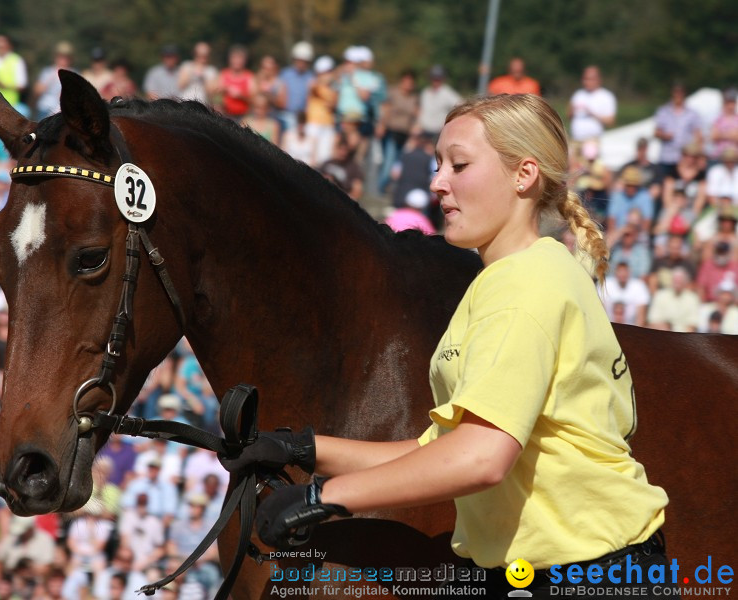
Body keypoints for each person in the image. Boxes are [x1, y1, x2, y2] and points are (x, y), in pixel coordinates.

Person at [221, 94, 673, 598]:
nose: (437, 182)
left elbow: (482, 458)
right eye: (438, 165)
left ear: (524, 175)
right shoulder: (516, 275)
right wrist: (302, 448)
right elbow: (436, 451)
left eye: (459, 165)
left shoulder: (525, 286)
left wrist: (324, 498)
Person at [653, 83, 703, 179]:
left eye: (680, 93)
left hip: (686, 159)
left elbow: (698, 135)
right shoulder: (663, 111)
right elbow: (656, 132)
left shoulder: (692, 114)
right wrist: (665, 135)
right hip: (667, 157)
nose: (678, 96)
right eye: (676, 93)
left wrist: (699, 155)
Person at [568, 65, 616, 142]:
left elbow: (611, 121)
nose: (586, 82)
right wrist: (573, 110)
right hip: (575, 138)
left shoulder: (606, 96)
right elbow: (569, 116)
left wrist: (591, 113)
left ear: (598, 80)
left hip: (593, 140)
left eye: (590, 79)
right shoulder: (578, 94)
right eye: (585, 79)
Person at [417, 64, 461, 139]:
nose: (435, 80)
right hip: (424, 131)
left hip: (438, 132)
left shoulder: (447, 92)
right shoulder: (425, 92)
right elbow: (421, 110)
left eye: (438, 78)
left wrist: (449, 123)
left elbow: (460, 105)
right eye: (434, 78)